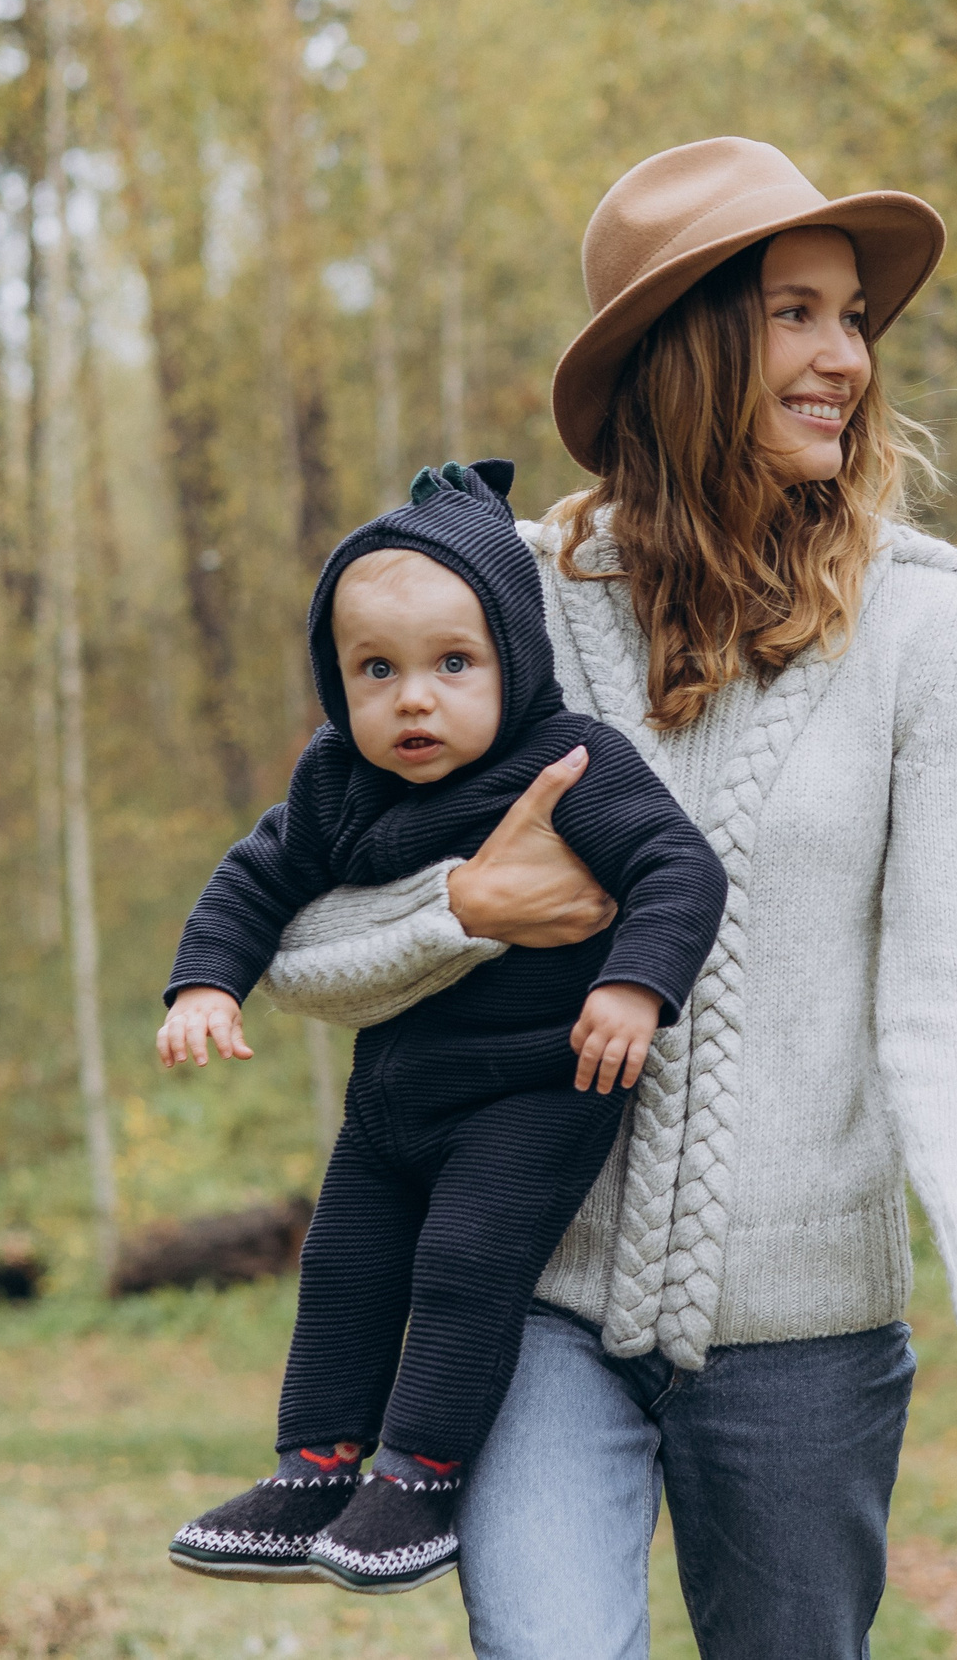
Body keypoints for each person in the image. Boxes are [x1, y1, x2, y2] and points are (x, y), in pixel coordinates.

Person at [253, 136, 957, 1656]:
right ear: (683, 342)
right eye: (794, 312)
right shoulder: (492, 598)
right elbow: (293, 938)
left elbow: (949, 986)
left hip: (808, 1334)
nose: (845, 354)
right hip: (527, 1303)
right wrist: (465, 907)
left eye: (852, 315)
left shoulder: (934, 622)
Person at [156, 467, 728, 1592]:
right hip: (392, 1099)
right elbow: (254, 882)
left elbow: (678, 867)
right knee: (344, 1264)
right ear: (338, 682)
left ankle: (418, 1479)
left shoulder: (567, 765)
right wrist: (204, 987)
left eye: (451, 665)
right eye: (376, 672)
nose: (413, 700)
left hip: (536, 1089)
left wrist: (634, 987)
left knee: (465, 1262)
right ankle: (315, 1466)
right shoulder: (336, 783)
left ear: (514, 660)